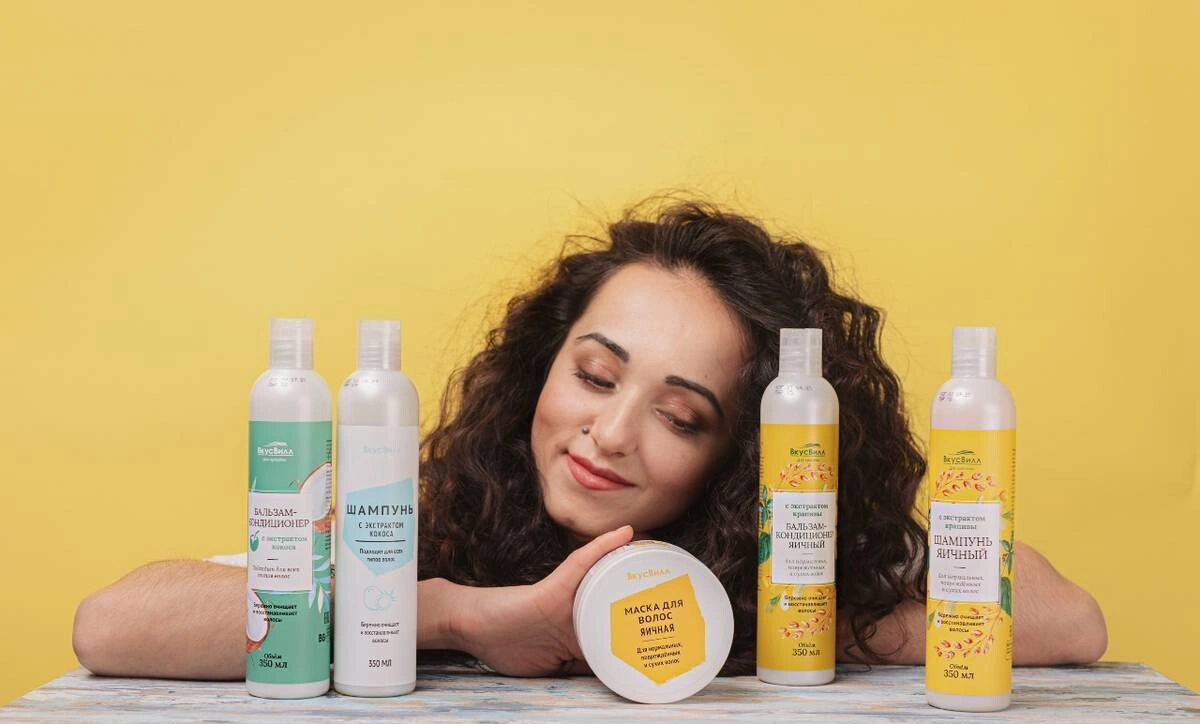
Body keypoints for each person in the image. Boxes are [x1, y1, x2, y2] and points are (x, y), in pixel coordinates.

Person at [71, 201, 1107, 681]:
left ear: (741, 456)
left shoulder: (791, 541)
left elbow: (1069, 617)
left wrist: (754, 624)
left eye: (681, 416)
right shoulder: (425, 522)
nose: (608, 434)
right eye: (597, 376)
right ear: (543, 363)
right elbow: (114, 625)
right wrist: (457, 615)